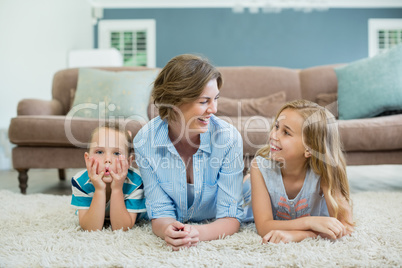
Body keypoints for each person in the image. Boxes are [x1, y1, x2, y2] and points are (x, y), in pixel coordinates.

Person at [134, 54, 245, 251]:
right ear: (174, 101)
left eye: (216, 99)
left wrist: (197, 233)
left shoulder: (228, 139)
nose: (214, 109)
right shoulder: (145, 141)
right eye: (204, 101)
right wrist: (167, 229)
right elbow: (159, 211)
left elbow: (230, 217)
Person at [248, 99, 354, 244]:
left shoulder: (324, 172)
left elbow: (346, 228)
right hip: (248, 191)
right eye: (276, 126)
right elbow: (263, 226)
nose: (273, 135)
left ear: (310, 149)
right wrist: (309, 222)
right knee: (245, 189)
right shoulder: (259, 168)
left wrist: (300, 236)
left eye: (286, 132)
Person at [71, 122, 146, 231]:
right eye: (100, 151)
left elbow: (121, 228)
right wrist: (99, 189)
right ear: (87, 159)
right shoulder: (80, 182)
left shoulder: (136, 182)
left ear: (129, 162)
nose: (107, 159)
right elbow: (91, 228)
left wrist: (117, 188)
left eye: (116, 153)